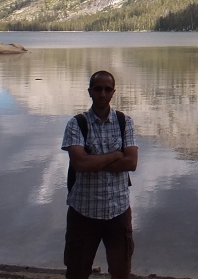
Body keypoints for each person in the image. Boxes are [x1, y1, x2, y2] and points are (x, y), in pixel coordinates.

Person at [62, 70, 138, 279]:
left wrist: (93, 161)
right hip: (83, 212)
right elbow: (79, 164)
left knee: (121, 272)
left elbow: (131, 162)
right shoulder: (76, 124)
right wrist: (115, 155)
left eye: (107, 89)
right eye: (98, 89)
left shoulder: (125, 122)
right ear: (90, 91)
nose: (102, 94)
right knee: (77, 271)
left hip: (118, 212)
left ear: (113, 92)